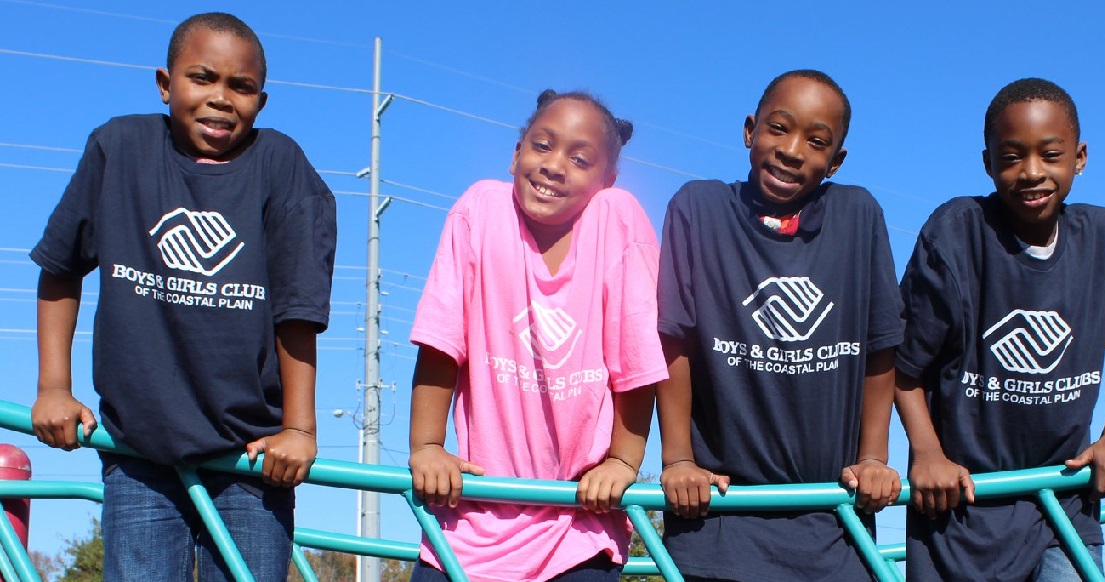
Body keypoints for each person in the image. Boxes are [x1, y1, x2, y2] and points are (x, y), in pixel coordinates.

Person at [28, 11, 336, 582]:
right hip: (139, 450)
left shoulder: (280, 164)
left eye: (241, 86)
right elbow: (61, 267)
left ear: (262, 102)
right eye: (202, 78)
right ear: (165, 85)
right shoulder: (120, 148)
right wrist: (53, 388)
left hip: (249, 456)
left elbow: (299, 308)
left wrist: (299, 429)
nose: (221, 97)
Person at [895, 77, 1105, 581]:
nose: (1033, 171)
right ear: (987, 162)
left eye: (1051, 154)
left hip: (1063, 502)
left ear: (1080, 157)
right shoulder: (956, 233)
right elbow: (902, 365)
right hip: (959, 507)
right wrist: (927, 453)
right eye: (1012, 156)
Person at [406, 89, 666, 582]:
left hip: (578, 522)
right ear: (515, 154)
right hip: (470, 519)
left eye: (580, 159)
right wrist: (427, 446)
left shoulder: (617, 221)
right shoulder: (480, 211)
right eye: (542, 145)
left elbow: (636, 362)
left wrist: (622, 460)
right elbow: (442, 341)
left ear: (607, 181)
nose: (553, 165)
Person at [656, 69, 904, 582]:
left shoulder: (857, 215)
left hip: (834, 521)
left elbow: (881, 346)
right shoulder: (698, 208)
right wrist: (678, 459)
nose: (792, 151)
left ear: (836, 161)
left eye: (816, 142)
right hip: (717, 518)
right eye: (779, 128)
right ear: (750, 130)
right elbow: (671, 340)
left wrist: (874, 457)